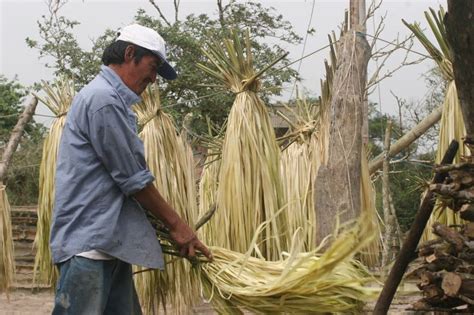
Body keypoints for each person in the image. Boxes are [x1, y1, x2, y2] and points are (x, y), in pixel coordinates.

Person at [49, 24, 212, 315]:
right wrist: (178, 226)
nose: (153, 78)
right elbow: (134, 179)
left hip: (108, 243)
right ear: (129, 54)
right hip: (90, 244)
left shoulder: (110, 100)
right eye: (152, 67)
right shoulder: (103, 101)